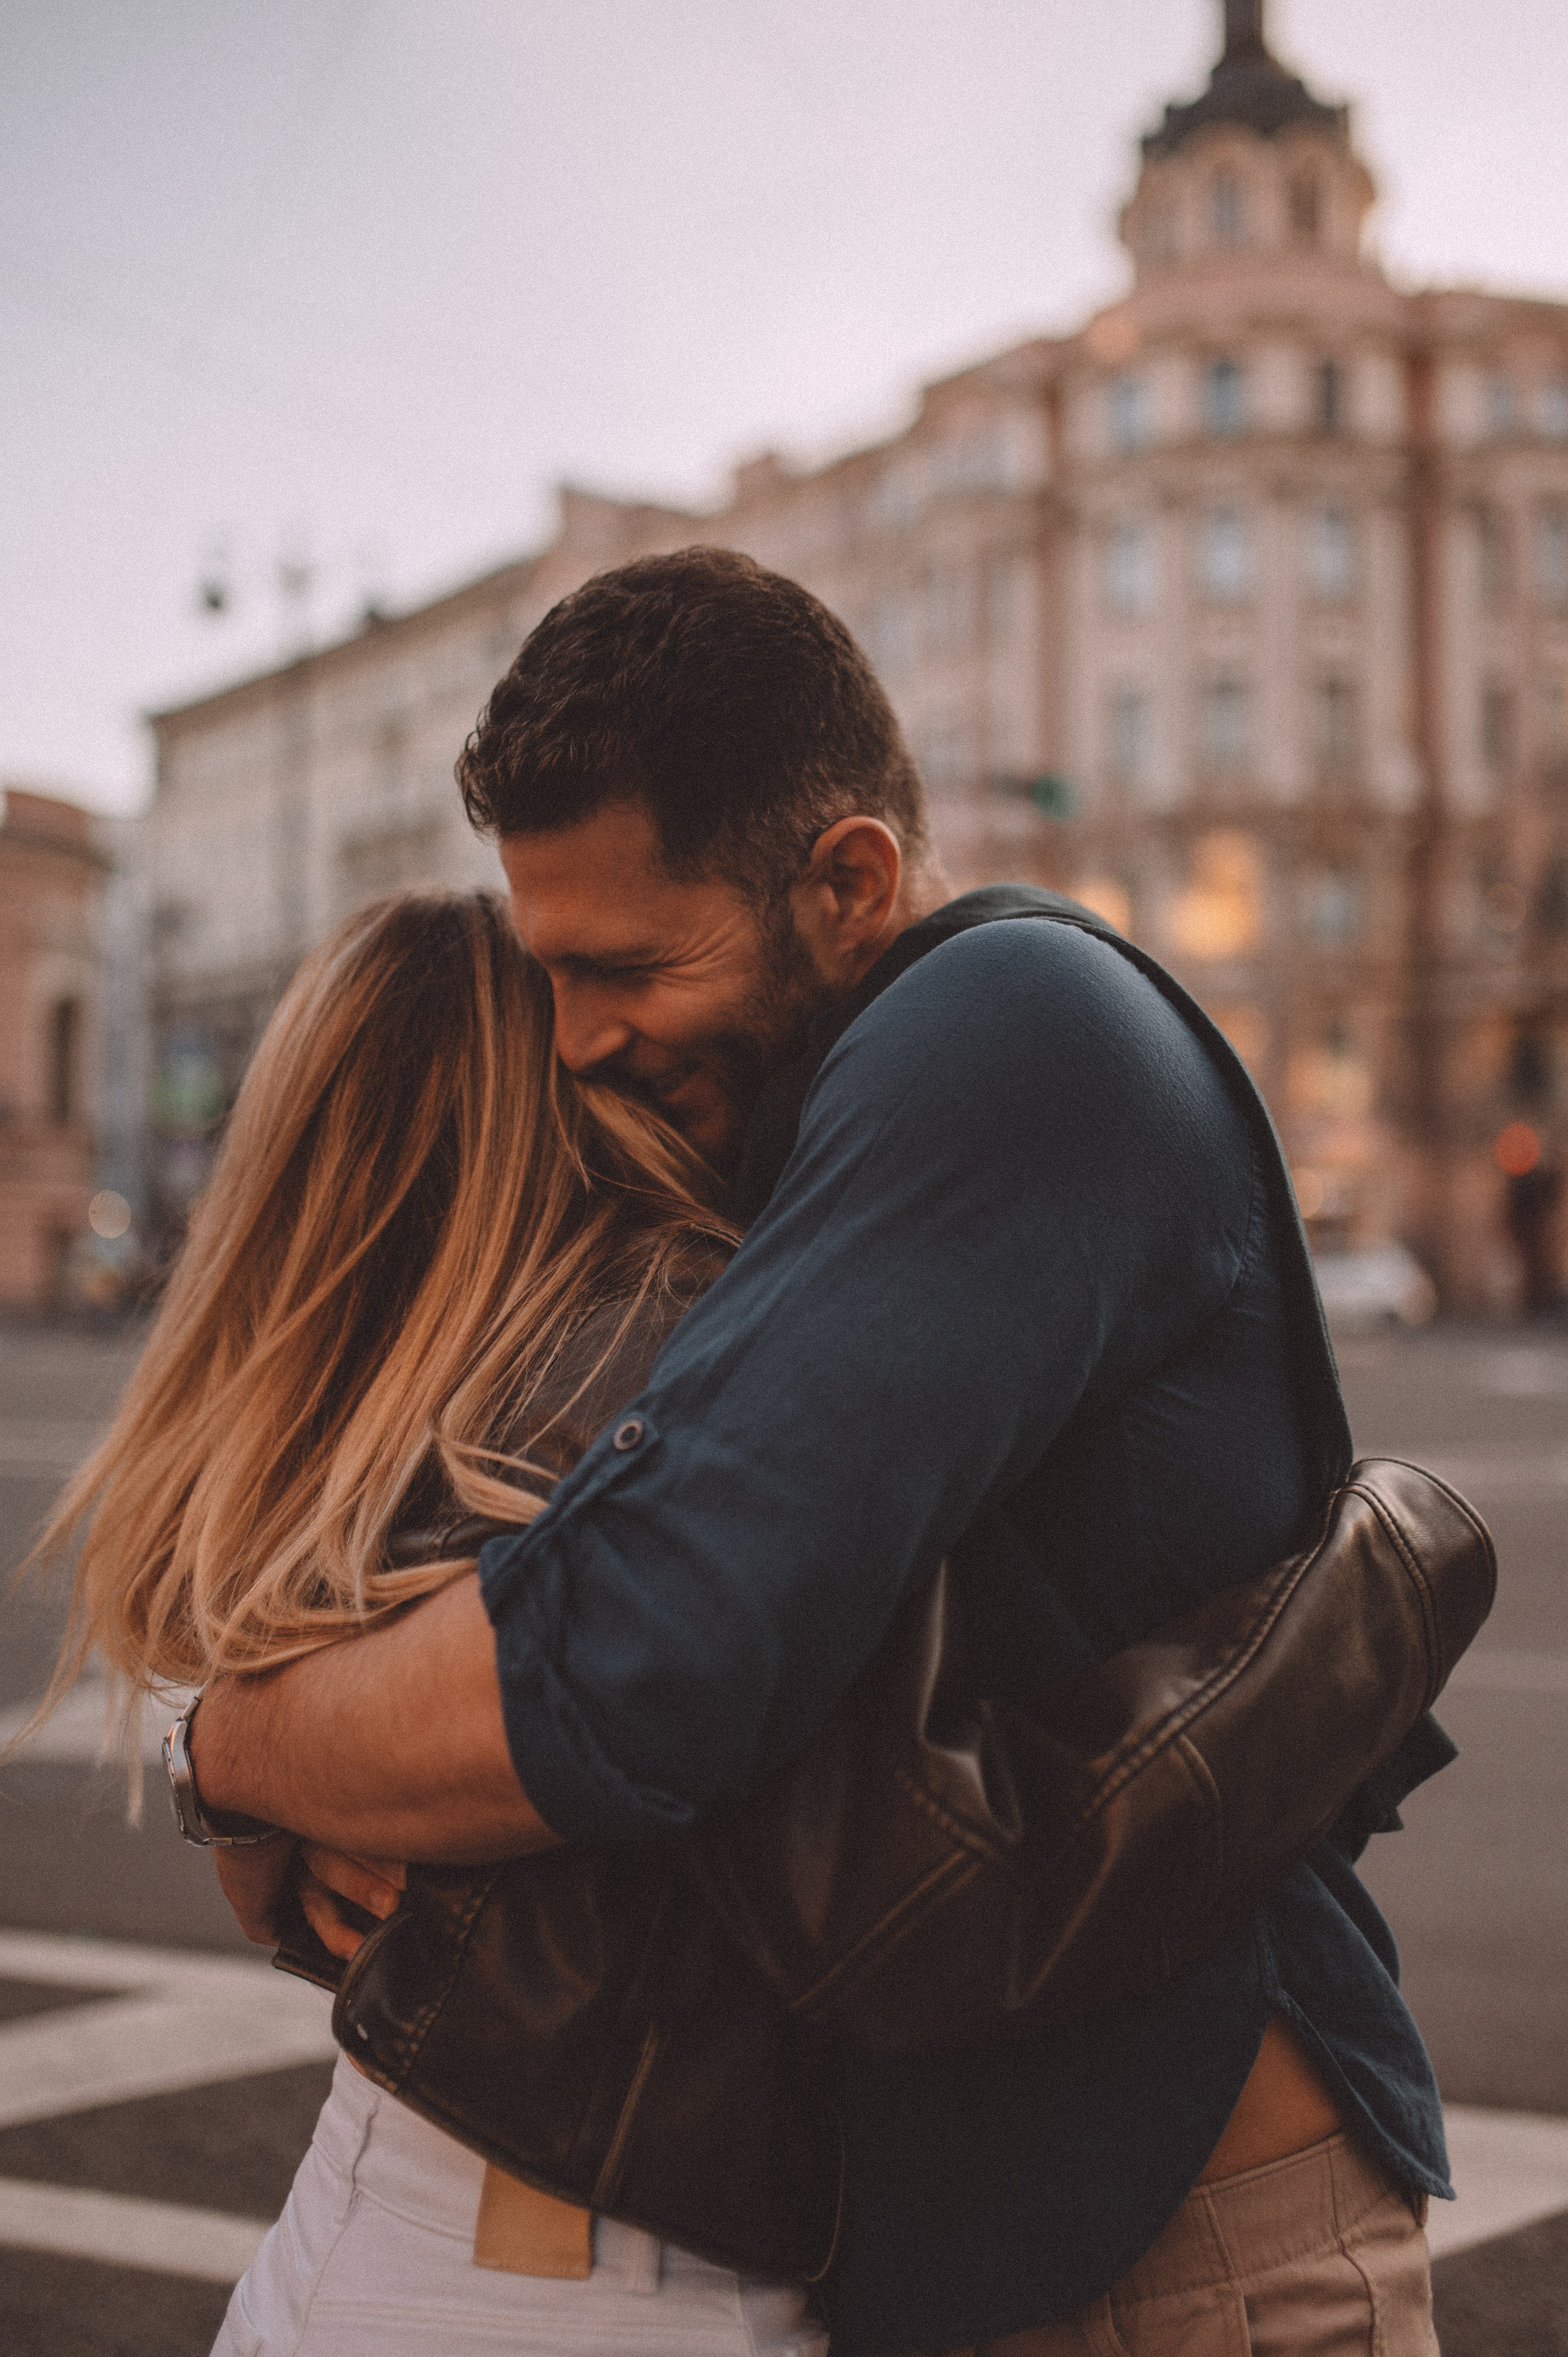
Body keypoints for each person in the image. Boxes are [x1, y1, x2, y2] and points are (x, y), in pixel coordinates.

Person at [192, 548, 1449, 2355]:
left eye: (623, 964)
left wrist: (235, 1742)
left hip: (1167, 2256)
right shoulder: (824, 1107)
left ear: (850, 880)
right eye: (546, 969)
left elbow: (638, 1655)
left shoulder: (1010, 1023)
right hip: (989, 2241)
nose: (574, 1039)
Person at [35, 888, 831, 2355]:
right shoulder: (690, 1337)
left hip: (358, 2236)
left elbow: (250, 1809)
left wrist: (225, 1755)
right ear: (554, 1093)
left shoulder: (335, 1421)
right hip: (617, 2279)